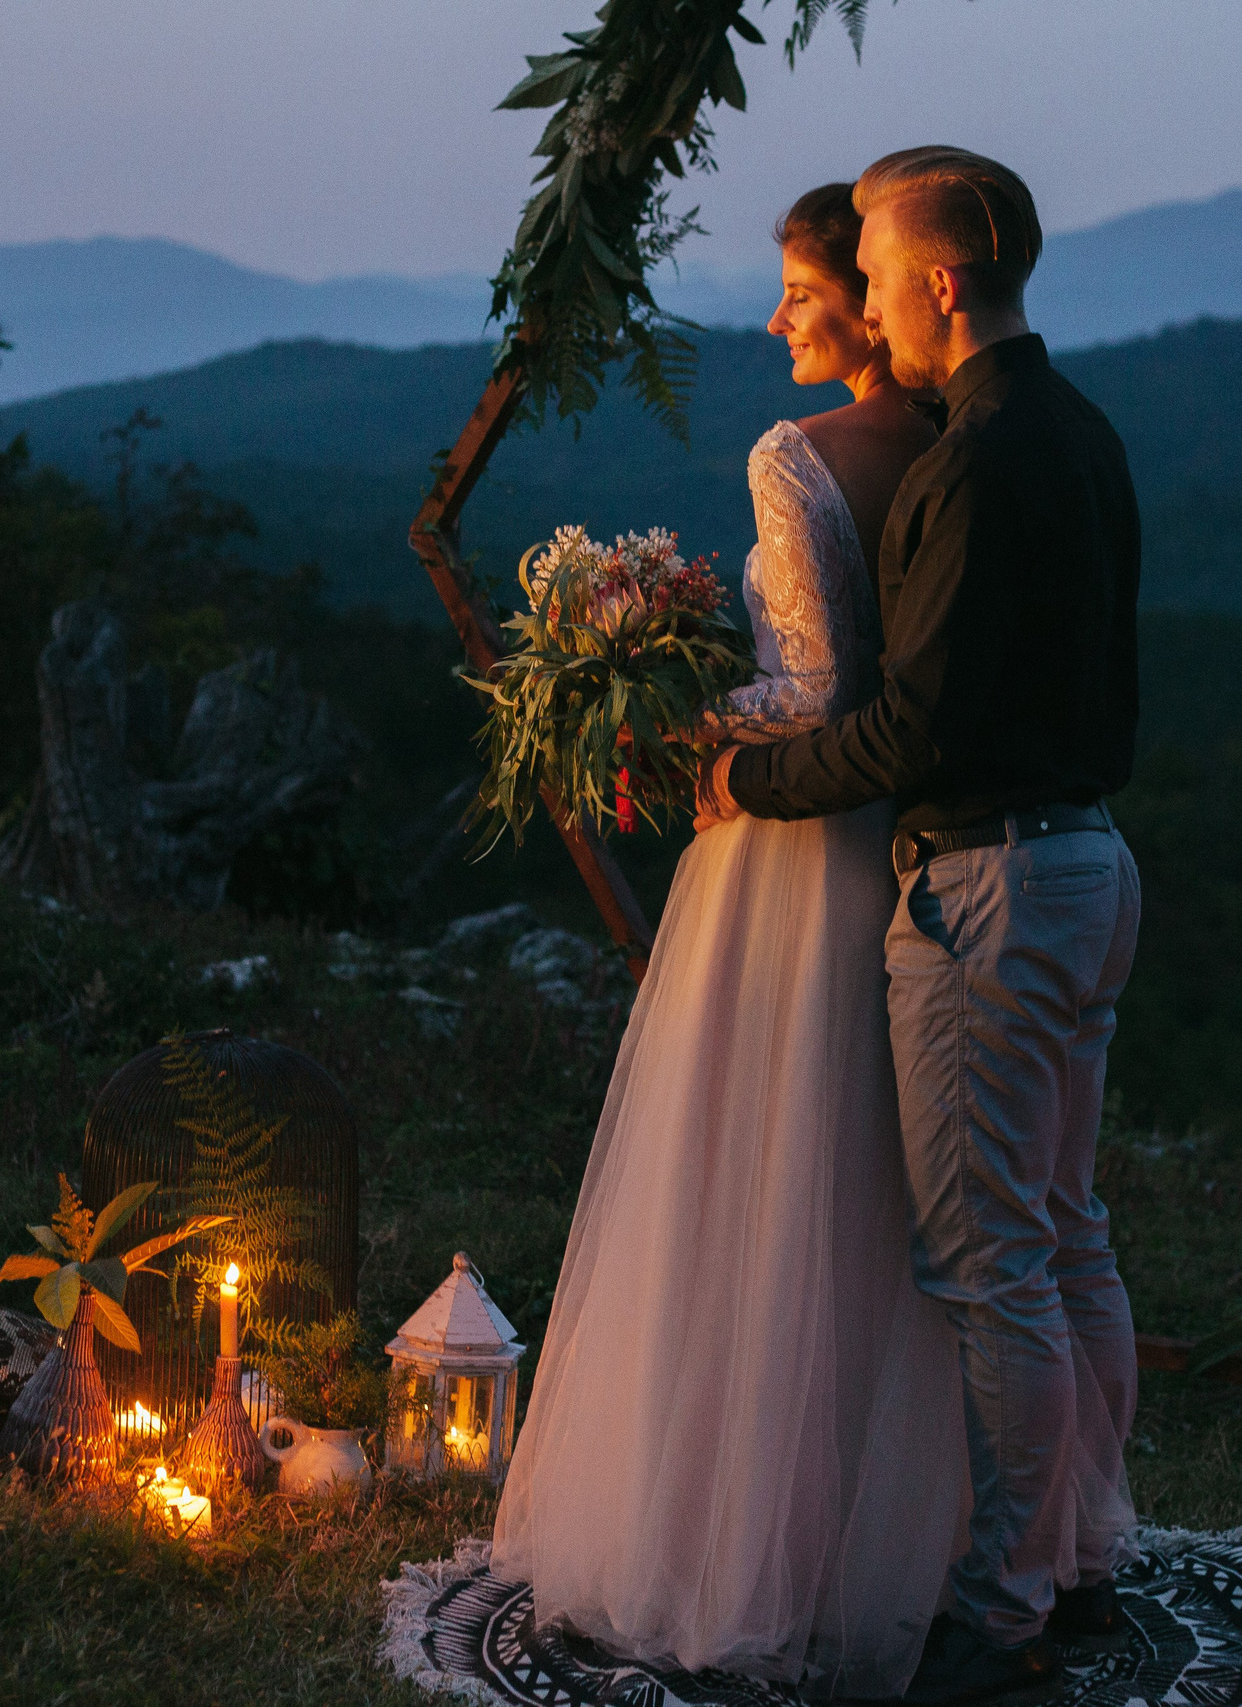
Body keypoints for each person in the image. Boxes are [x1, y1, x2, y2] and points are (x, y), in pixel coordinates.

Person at [489, 183, 968, 1700]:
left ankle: (732, 1542)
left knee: (756, 1180)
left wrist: (672, 710)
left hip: (786, 852)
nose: (779, 322)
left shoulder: (796, 456)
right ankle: (894, 1544)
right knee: (871, 1189)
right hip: (910, 854)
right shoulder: (961, 451)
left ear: (866, 297)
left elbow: (815, 697)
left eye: (799, 291)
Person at [697, 146, 1146, 1707]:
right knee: (1069, 1232)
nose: (870, 304)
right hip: (1094, 862)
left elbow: (918, 733)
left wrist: (749, 776)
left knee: (991, 1267)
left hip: (991, 888)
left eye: (878, 274)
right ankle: (1088, 1556)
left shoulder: (973, 465)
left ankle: (1003, 1615)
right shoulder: (1081, 435)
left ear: (941, 282)